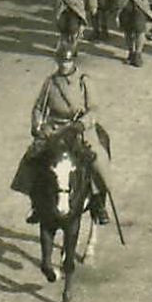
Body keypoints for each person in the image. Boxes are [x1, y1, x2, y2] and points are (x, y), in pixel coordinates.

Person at [10, 45, 111, 224]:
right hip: (55, 127)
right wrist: (38, 126)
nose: (64, 64)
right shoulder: (50, 82)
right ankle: (36, 203)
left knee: (96, 159)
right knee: (32, 156)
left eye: (68, 61)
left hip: (78, 129)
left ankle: (98, 203)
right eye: (61, 61)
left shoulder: (84, 81)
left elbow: (94, 108)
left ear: (73, 61)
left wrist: (82, 124)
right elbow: (39, 107)